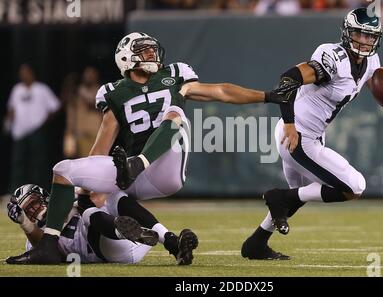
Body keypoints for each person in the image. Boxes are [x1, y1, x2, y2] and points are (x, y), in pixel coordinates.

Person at [7, 32, 291, 264]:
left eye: (151, 50)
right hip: (134, 173)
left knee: (175, 115)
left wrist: (266, 96)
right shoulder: (114, 92)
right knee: (65, 170)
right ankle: (49, 246)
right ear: (126, 57)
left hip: (165, 165)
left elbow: (222, 91)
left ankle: (138, 163)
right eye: (143, 51)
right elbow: (101, 146)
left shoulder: (174, 77)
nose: (151, 55)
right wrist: (84, 191)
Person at [241, 7, 383, 260]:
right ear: (347, 33)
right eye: (359, 34)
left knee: (299, 196)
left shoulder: (372, 62)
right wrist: (289, 123)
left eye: (370, 36)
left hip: (312, 135)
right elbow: (289, 79)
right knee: (354, 186)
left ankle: (256, 243)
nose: (364, 41)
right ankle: (278, 197)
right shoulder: (332, 58)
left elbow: (368, 82)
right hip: (296, 135)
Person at [5, 184, 198, 265]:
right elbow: (50, 252)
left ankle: (171, 241)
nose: (32, 212)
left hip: (127, 238)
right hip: (109, 251)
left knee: (114, 197)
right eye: (26, 212)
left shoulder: (69, 198)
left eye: (33, 204)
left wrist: (85, 191)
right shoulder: (35, 241)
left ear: (45, 197)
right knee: (88, 213)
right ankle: (127, 232)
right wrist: (26, 225)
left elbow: (95, 192)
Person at [3, 64, 61, 192]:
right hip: (19, 132)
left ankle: (39, 191)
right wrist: (8, 122)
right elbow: (12, 108)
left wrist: (43, 122)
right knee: (18, 163)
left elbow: (55, 106)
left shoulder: (41, 89)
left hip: (36, 131)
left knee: (38, 162)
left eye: (26, 72)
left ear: (32, 73)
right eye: (21, 73)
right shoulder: (17, 89)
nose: (24, 75)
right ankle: (16, 191)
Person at [63, 67, 103, 158]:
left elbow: (103, 109)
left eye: (91, 75)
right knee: (80, 162)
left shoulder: (101, 91)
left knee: (95, 161)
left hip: (96, 133)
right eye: (87, 75)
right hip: (80, 133)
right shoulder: (76, 92)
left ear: (96, 77)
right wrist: (69, 133)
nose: (89, 77)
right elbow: (70, 113)